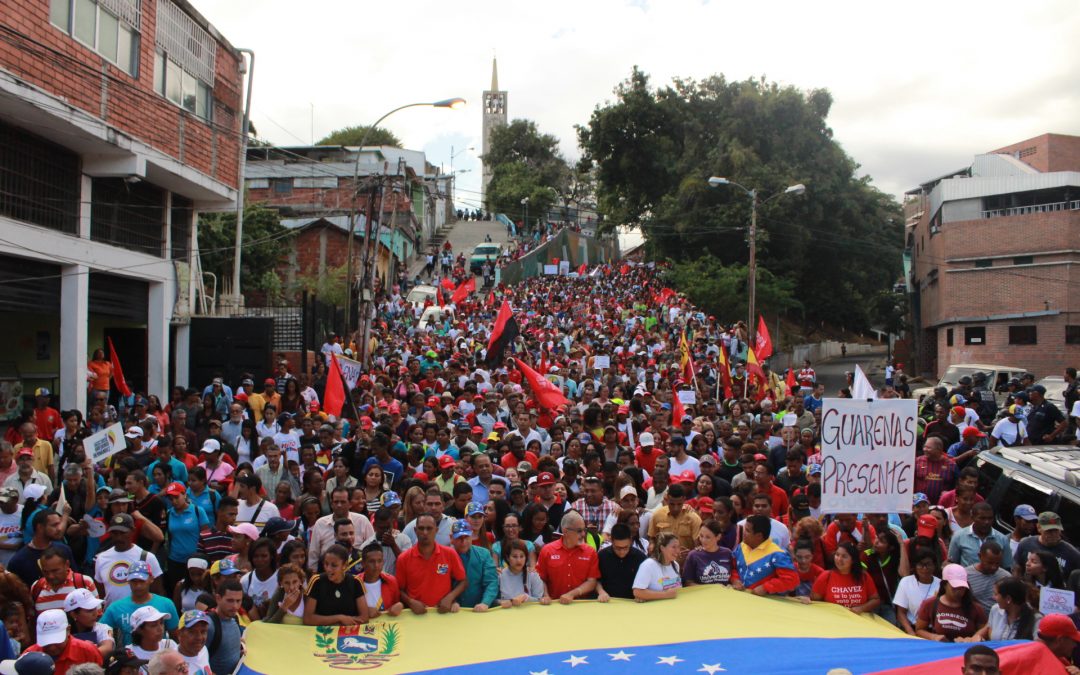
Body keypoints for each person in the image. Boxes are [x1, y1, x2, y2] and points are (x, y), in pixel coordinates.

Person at [394, 513, 466, 614]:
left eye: (429, 528)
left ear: (436, 530)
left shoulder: (449, 553)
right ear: (415, 530)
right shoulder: (404, 558)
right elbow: (398, 589)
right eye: (421, 528)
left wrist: (450, 598)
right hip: (416, 615)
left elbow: (463, 581)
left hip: (443, 613)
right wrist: (410, 602)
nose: (425, 532)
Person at [100, 561, 178, 649]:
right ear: (128, 581)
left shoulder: (166, 604)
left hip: (160, 656)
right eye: (134, 581)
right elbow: (100, 631)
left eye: (142, 581)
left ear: (151, 579)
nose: (138, 585)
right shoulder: (115, 608)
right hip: (130, 658)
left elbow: (175, 635)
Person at [93, 514, 164, 605]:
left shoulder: (147, 557)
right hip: (113, 615)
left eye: (123, 533)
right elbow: (101, 593)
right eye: (115, 533)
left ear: (133, 531)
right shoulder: (101, 558)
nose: (119, 537)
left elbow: (157, 591)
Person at [537, 511, 600, 604]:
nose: (583, 534)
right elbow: (540, 578)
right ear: (565, 531)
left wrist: (572, 594)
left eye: (584, 530)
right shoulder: (547, 551)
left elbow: (592, 582)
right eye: (579, 531)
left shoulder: (590, 552)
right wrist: (546, 595)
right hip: (554, 605)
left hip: (582, 606)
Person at [915, 564, 987, 642]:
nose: (959, 591)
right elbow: (919, 630)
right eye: (955, 588)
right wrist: (933, 637)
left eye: (962, 588)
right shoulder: (930, 604)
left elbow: (985, 631)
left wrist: (973, 638)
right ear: (945, 585)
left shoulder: (976, 608)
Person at [307, 488, 375, 570]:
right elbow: (313, 556)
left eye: (343, 502)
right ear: (331, 504)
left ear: (350, 504)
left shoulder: (362, 521)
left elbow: (372, 550)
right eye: (336, 502)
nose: (339, 505)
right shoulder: (320, 523)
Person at [22, 609, 103, 675]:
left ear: (68, 630)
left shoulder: (88, 651)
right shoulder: (28, 657)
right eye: (46, 641)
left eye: (56, 640)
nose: (52, 647)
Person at [734, 514, 798, 596]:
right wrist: (735, 579)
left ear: (759, 536)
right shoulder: (741, 547)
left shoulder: (777, 554)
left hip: (765, 603)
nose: (743, 533)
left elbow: (791, 580)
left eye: (747, 530)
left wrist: (766, 587)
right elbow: (733, 567)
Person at [303, 545, 367, 625]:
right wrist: (339, 618)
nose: (328, 569)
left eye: (334, 565)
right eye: (326, 564)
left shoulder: (356, 582)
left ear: (345, 565)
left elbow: (364, 617)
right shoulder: (316, 581)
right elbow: (308, 619)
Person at [811, 541, 880, 614]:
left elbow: (875, 599)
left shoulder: (864, 576)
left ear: (853, 560)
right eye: (837, 555)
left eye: (844, 556)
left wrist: (861, 608)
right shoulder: (825, 576)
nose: (839, 559)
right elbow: (814, 602)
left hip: (858, 621)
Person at [1013, 511, 1080, 579]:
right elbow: (1017, 566)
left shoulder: (1072, 554)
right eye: (1049, 531)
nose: (1053, 534)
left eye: (1056, 530)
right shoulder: (1026, 544)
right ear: (1039, 527)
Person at [968, 577, 1036, 642]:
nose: (993, 597)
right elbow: (988, 629)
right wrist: (975, 638)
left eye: (996, 594)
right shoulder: (995, 610)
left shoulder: (1035, 618)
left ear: (1008, 599)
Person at [449, 521, 498, 611]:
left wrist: (485, 602)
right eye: (459, 538)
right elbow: (442, 583)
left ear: (471, 536)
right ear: (451, 538)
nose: (463, 542)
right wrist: (452, 601)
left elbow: (491, 582)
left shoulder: (484, 554)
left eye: (466, 537)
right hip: (453, 610)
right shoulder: (444, 556)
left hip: (480, 609)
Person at [893, 548, 941, 635]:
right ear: (915, 566)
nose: (924, 568)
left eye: (928, 564)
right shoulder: (906, 582)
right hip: (911, 628)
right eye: (920, 564)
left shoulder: (941, 584)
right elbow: (901, 613)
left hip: (934, 632)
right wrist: (910, 631)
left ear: (934, 565)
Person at [597, 523, 647, 602]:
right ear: (611, 540)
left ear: (630, 541)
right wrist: (601, 592)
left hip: (633, 603)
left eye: (625, 547)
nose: (622, 552)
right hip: (608, 602)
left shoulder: (640, 558)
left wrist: (642, 594)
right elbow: (596, 580)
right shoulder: (602, 556)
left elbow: (647, 581)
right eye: (618, 548)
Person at [203, 578, 244, 675]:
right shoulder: (209, 625)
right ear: (218, 598)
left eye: (238, 601)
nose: (235, 606)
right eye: (230, 600)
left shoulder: (235, 619)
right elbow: (196, 659)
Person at [681, 519, 737, 586]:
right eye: (701, 536)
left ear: (718, 537)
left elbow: (734, 574)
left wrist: (733, 583)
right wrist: (710, 590)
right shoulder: (693, 555)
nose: (703, 540)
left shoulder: (727, 553)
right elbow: (688, 582)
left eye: (708, 537)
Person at [63, 588, 114, 660]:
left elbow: (107, 648)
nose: (95, 613)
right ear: (73, 614)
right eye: (89, 610)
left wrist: (84, 650)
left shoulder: (103, 628)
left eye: (95, 608)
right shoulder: (62, 632)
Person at [356, 543, 403, 619]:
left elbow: (396, 605)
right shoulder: (355, 583)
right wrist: (364, 611)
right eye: (371, 561)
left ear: (383, 562)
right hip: (363, 628)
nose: (376, 565)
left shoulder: (391, 581)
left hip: (386, 628)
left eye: (379, 561)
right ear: (363, 564)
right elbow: (348, 610)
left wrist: (400, 605)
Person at [632, 532, 682, 602]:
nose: (678, 551)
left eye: (678, 547)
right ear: (662, 548)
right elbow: (637, 592)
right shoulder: (648, 565)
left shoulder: (676, 565)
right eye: (674, 547)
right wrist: (666, 595)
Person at [498, 540, 545, 607]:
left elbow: (539, 599)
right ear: (507, 558)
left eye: (522, 556)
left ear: (526, 558)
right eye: (514, 556)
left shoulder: (533, 574)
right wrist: (502, 602)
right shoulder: (500, 575)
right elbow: (493, 600)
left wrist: (526, 598)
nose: (519, 560)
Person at [175, 609, 213, 675]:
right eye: (192, 632)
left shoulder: (203, 650)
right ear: (179, 634)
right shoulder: (172, 664)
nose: (199, 637)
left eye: (203, 631)